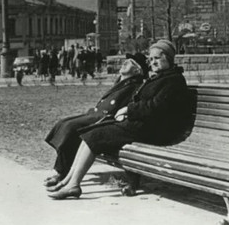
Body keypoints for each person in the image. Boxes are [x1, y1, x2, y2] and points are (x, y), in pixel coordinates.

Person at [46, 39, 194, 200]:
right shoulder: (160, 77)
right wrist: (129, 111)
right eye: (151, 59)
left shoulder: (174, 80)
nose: (153, 62)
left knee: (95, 136)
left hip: (157, 131)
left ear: (169, 58)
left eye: (157, 58)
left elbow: (156, 107)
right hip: (144, 126)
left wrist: (128, 110)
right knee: (90, 133)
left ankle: (73, 184)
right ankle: (69, 181)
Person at [43, 52, 150, 188]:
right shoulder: (122, 81)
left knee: (71, 128)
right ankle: (61, 171)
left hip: (105, 119)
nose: (124, 63)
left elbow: (127, 107)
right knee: (63, 123)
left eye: (129, 62)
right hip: (95, 114)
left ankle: (60, 172)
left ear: (137, 70)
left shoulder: (135, 86)